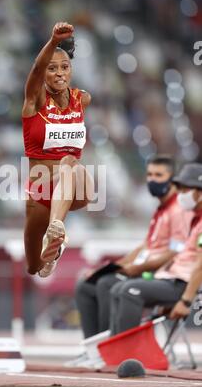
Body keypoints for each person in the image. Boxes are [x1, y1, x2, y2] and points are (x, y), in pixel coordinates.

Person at [68, 156, 192, 367]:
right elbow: (144, 247)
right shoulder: (161, 210)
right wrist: (114, 267)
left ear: (173, 180)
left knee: (109, 283)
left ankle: (110, 350)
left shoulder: (179, 211)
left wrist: (134, 269)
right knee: (86, 284)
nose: (153, 180)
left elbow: (175, 253)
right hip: (146, 270)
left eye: (159, 175)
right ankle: (94, 350)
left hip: (162, 275)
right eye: (150, 175)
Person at [22, 22, 94, 278]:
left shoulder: (82, 99)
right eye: (52, 69)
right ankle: (56, 246)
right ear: (44, 74)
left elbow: (70, 162)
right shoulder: (35, 101)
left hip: (76, 183)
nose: (60, 73)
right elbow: (35, 69)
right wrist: (52, 42)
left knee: (69, 163)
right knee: (34, 267)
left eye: (65, 67)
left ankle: (57, 227)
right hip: (41, 191)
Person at [109, 162, 202, 334]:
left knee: (129, 291)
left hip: (181, 284)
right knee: (117, 288)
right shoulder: (193, 220)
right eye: (179, 189)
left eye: (185, 190)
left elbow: (200, 265)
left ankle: (127, 353)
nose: (180, 195)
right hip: (168, 280)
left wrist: (186, 301)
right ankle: (113, 350)